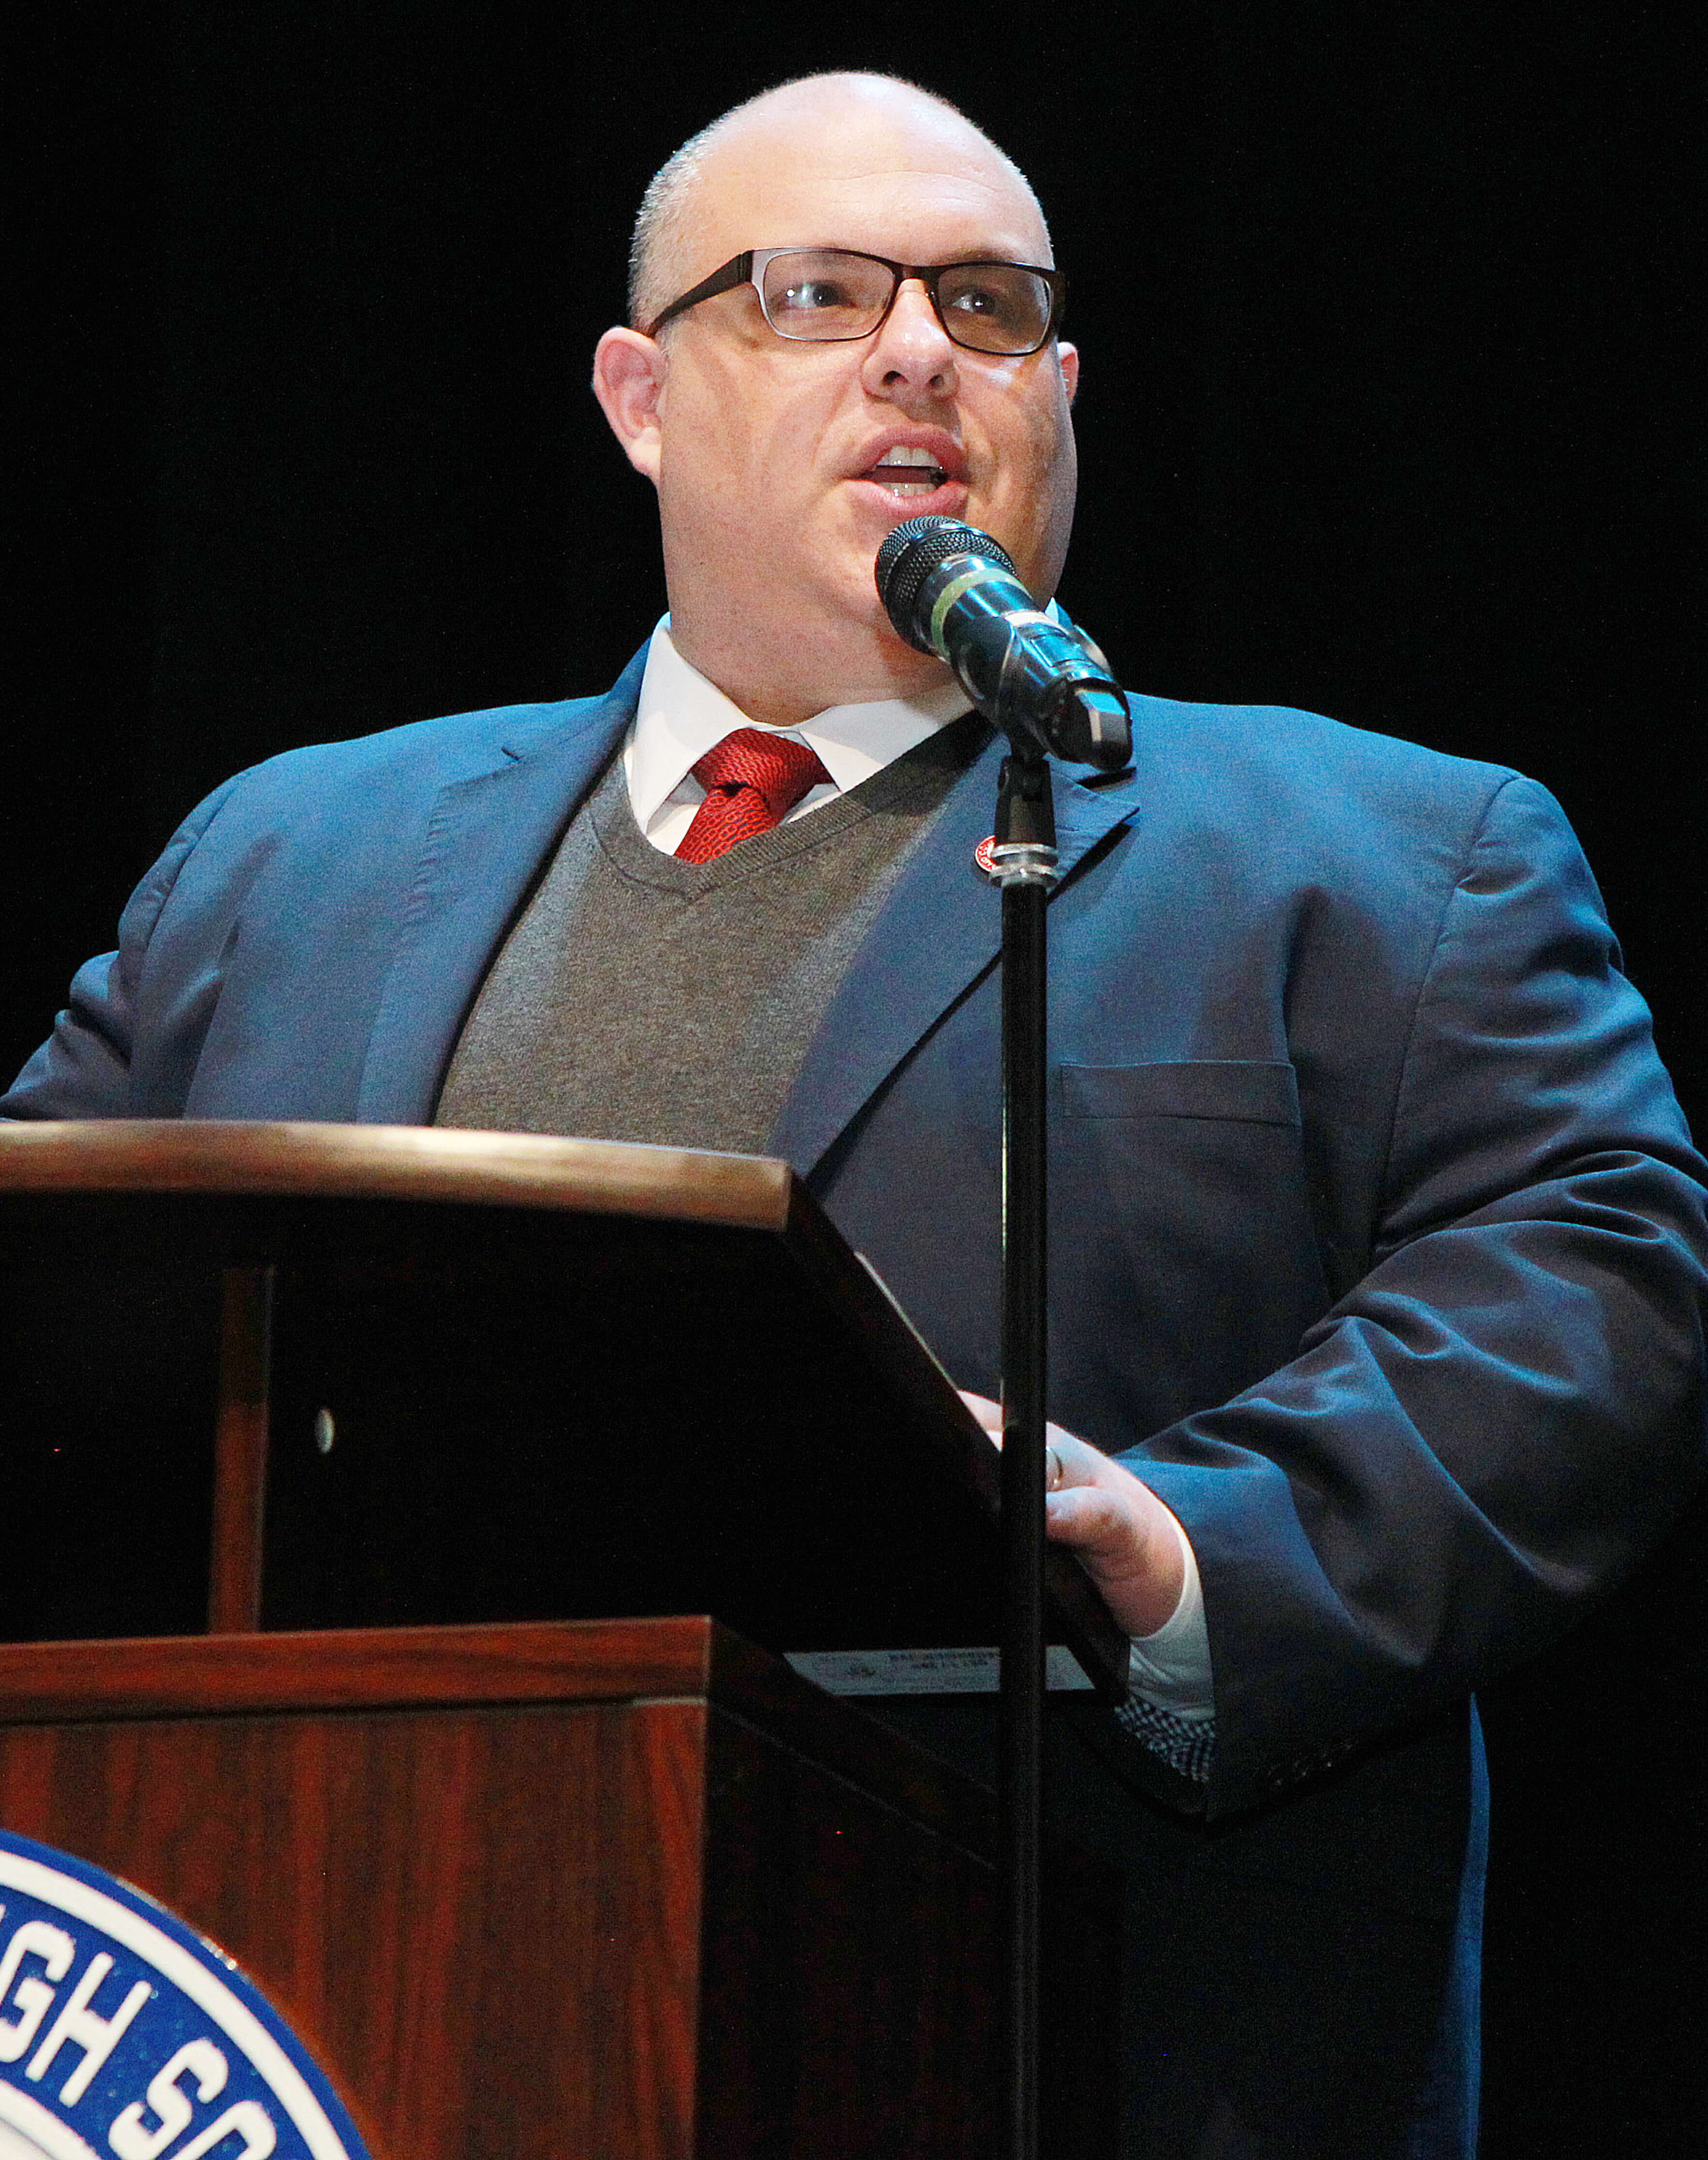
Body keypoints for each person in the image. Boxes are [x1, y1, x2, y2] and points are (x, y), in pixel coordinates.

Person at [4, 72, 1704, 2159]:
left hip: (1080, 2050)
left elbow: (1592, 1295)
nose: (919, 351)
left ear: (1060, 395)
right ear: (640, 398)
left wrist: (1190, 1549)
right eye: (815, 293)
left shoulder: (1384, 861)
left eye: (989, 307)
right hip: (323, 2023)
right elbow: (44, 1320)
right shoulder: (287, 862)